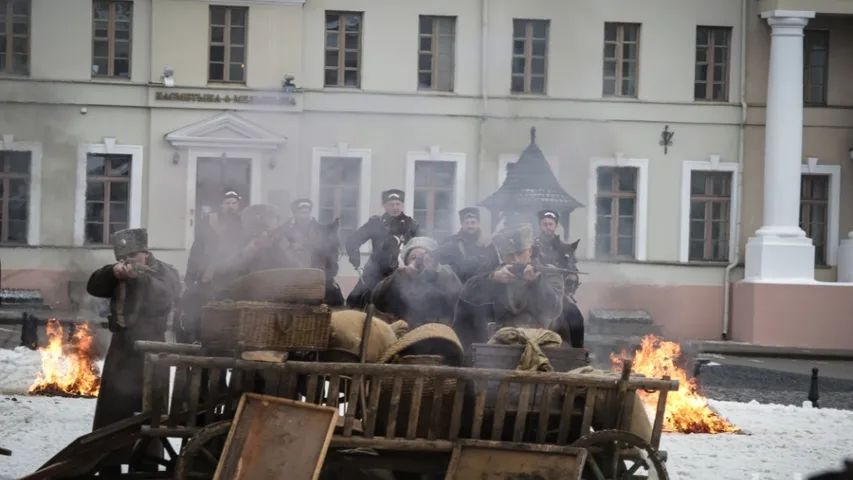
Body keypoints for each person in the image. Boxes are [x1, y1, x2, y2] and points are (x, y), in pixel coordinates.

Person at [86, 228, 181, 475]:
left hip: (153, 351)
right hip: (122, 349)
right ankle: (110, 464)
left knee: (150, 411)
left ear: (146, 254)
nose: (128, 262)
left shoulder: (166, 271)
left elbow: (166, 295)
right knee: (113, 413)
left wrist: (142, 278)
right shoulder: (118, 271)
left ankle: (147, 466)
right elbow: (94, 286)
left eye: (133, 257)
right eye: (123, 258)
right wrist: (113, 272)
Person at [452, 224, 565, 350]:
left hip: (540, 345)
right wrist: (493, 279)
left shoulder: (548, 273)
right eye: (509, 255)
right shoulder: (496, 273)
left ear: (530, 251)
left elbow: (554, 308)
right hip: (501, 346)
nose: (515, 259)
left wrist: (537, 283)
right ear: (502, 255)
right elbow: (467, 295)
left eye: (520, 253)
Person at [179, 191, 244, 343]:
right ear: (221, 205)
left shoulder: (242, 224)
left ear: (238, 205)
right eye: (227, 203)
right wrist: (190, 275)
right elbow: (197, 249)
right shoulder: (209, 222)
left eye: (234, 203)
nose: (231, 206)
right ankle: (195, 336)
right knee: (197, 303)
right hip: (206, 273)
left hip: (230, 276)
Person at [345, 189, 420, 309]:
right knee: (356, 299)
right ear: (384, 206)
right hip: (375, 271)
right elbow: (352, 241)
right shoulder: (375, 223)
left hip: (402, 272)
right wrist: (355, 260)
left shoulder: (411, 225)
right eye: (391, 204)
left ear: (402, 205)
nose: (394, 207)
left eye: (398, 204)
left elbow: (419, 248)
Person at [371, 237, 462, 329]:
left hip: (437, 333)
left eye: (424, 257)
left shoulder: (444, 273)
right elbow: (377, 299)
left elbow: (457, 298)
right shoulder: (399, 276)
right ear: (406, 261)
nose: (418, 261)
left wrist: (436, 271)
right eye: (413, 257)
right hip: (404, 333)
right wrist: (400, 276)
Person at [213, 204, 309, 289]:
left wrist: (277, 248)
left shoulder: (293, 249)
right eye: (256, 232)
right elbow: (219, 281)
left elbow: (303, 278)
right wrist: (250, 250)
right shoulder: (233, 248)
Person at [534, 210, 585, 348]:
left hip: (558, 294)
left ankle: (578, 354)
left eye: (550, 224)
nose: (547, 227)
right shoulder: (532, 247)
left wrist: (571, 278)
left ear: (556, 226)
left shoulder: (565, 249)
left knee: (576, 317)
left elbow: (572, 272)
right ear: (540, 225)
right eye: (544, 224)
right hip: (534, 293)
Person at [282, 198, 344, 306]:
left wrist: (327, 275)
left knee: (336, 298)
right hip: (295, 278)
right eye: (301, 212)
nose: (304, 215)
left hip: (320, 276)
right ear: (295, 214)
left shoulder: (323, 230)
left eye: (306, 211)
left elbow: (332, 257)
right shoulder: (287, 233)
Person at [434, 207, 500, 285]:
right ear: (462, 224)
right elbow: (443, 267)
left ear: (478, 223)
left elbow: (495, 266)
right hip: (458, 288)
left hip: (483, 288)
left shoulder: (487, 243)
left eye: (473, 223)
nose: (470, 226)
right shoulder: (451, 241)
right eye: (467, 223)